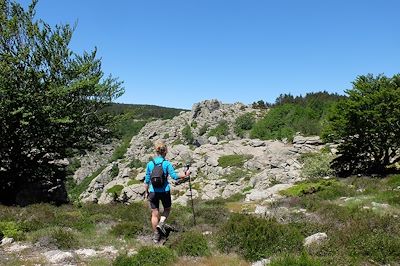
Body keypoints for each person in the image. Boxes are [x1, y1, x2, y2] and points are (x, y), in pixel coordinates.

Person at [144, 140, 190, 243]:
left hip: (153, 191)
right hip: (164, 191)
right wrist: (186, 174)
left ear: (156, 151)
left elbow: (146, 180)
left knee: (154, 214)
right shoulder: (166, 164)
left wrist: (146, 191)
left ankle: (156, 237)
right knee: (167, 209)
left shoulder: (150, 164)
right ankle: (161, 223)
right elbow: (174, 176)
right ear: (165, 151)